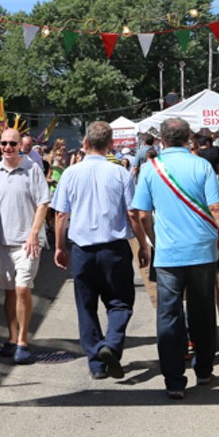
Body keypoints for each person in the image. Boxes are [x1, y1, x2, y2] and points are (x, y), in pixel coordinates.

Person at [132, 117, 219, 400]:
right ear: (186, 139)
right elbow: (217, 207)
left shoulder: (150, 169)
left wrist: (153, 243)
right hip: (202, 251)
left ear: (163, 140)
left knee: (168, 316)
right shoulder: (201, 165)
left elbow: (141, 214)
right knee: (203, 311)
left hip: (169, 254)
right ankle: (204, 370)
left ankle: (174, 381)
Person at [51, 121, 139, 381]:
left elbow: (60, 215)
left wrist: (58, 246)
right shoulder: (121, 173)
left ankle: (97, 361)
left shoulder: (69, 174)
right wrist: (143, 244)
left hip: (83, 249)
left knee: (86, 305)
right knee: (120, 302)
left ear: (85, 143)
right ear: (111, 145)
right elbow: (132, 213)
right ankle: (111, 344)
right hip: (114, 248)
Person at [0, 128, 51, 365]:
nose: (7, 148)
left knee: (23, 288)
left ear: (20, 146)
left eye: (12, 144)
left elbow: (43, 203)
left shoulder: (32, 169)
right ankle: (12, 337)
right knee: (9, 291)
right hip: (1, 240)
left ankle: (23, 341)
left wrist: (34, 233)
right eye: (3, 143)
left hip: (27, 241)